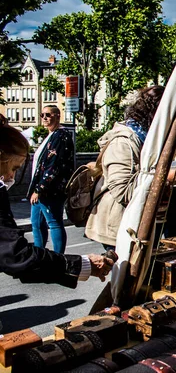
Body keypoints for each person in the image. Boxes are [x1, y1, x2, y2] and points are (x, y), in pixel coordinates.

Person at [0, 114, 114, 289]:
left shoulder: (59, 137)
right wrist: (82, 264)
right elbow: (16, 255)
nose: (11, 176)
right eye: (14, 168)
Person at [85, 86, 176, 250]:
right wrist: (164, 178)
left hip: (140, 224)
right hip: (120, 226)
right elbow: (123, 191)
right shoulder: (124, 141)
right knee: (126, 275)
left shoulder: (148, 139)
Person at [28, 106, 74, 254]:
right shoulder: (51, 135)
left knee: (54, 223)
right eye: (42, 115)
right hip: (40, 189)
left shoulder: (61, 136)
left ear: (57, 116)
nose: (44, 118)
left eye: (48, 115)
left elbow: (54, 165)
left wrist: (40, 189)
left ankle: (58, 258)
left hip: (50, 190)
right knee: (36, 223)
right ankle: (39, 257)